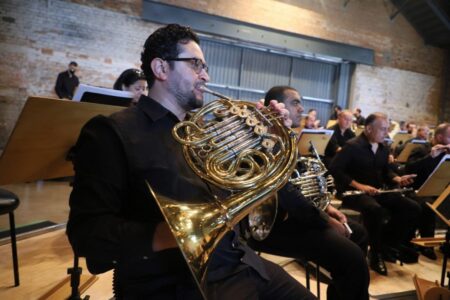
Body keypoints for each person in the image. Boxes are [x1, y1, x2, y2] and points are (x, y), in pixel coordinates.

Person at [67, 24, 315, 300]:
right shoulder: (112, 131)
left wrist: (266, 140)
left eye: (205, 67)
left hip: (238, 262)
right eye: (196, 65)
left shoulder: (206, 131)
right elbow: (86, 235)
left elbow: (239, 195)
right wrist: (174, 234)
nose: (206, 76)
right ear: (161, 69)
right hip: (174, 283)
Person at [248, 85, 370, 300]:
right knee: (352, 258)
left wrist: (327, 207)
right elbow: (287, 194)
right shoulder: (263, 141)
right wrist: (325, 220)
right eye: (295, 102)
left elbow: (300, 182)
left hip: (295, 215)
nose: (301, 108)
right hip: (271, 226)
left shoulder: (286, 138)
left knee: (358, 234)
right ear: (275, 107)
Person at [329, 113, 421, 276]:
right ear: (369, 129)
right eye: (383, 129)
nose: (386, 133)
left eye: (387, 129)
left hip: (377, 191)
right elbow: (336, 170)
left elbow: (386, 172)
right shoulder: (352, 146)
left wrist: (398, 178)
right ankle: (376, 253)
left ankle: (386, 244)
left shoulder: (384, 148)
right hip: (353, 193)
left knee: (412, 207)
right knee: (375, 210)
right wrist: (360, 186)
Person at [403, 123, 450, 260]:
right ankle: (426, 245)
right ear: (440, 137)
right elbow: (409, 169)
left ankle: (447, 245)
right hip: (418, 190)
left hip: (439, 191)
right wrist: (431, 156)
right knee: (428, 206)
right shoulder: (421, 149)